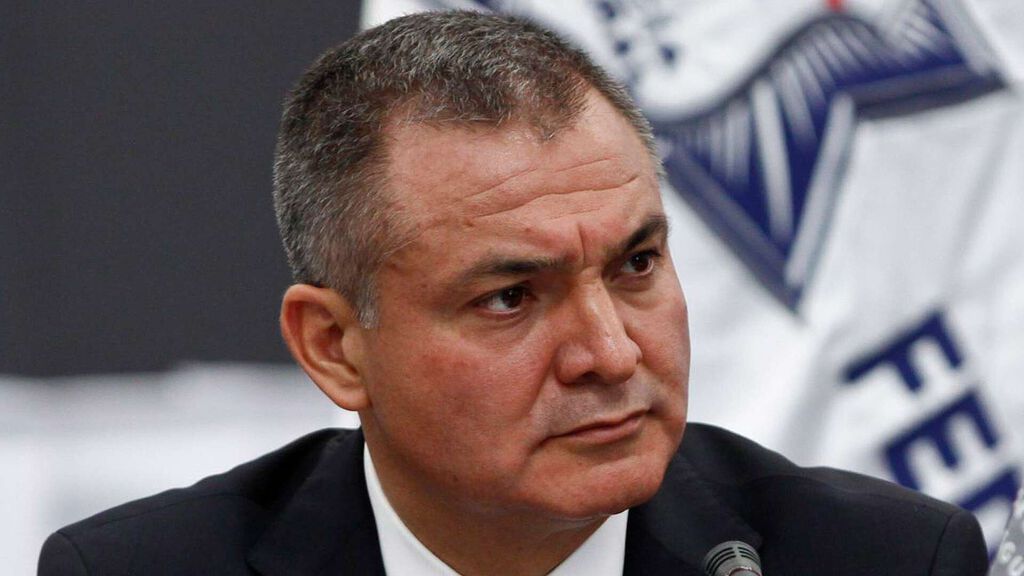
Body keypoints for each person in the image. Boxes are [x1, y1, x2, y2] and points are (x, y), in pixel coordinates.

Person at [38, 10, 988, 576]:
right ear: (334, 346)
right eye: (510, 298)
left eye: (636, 265)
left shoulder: (883, 560)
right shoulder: (138, 571)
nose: (611, 352)